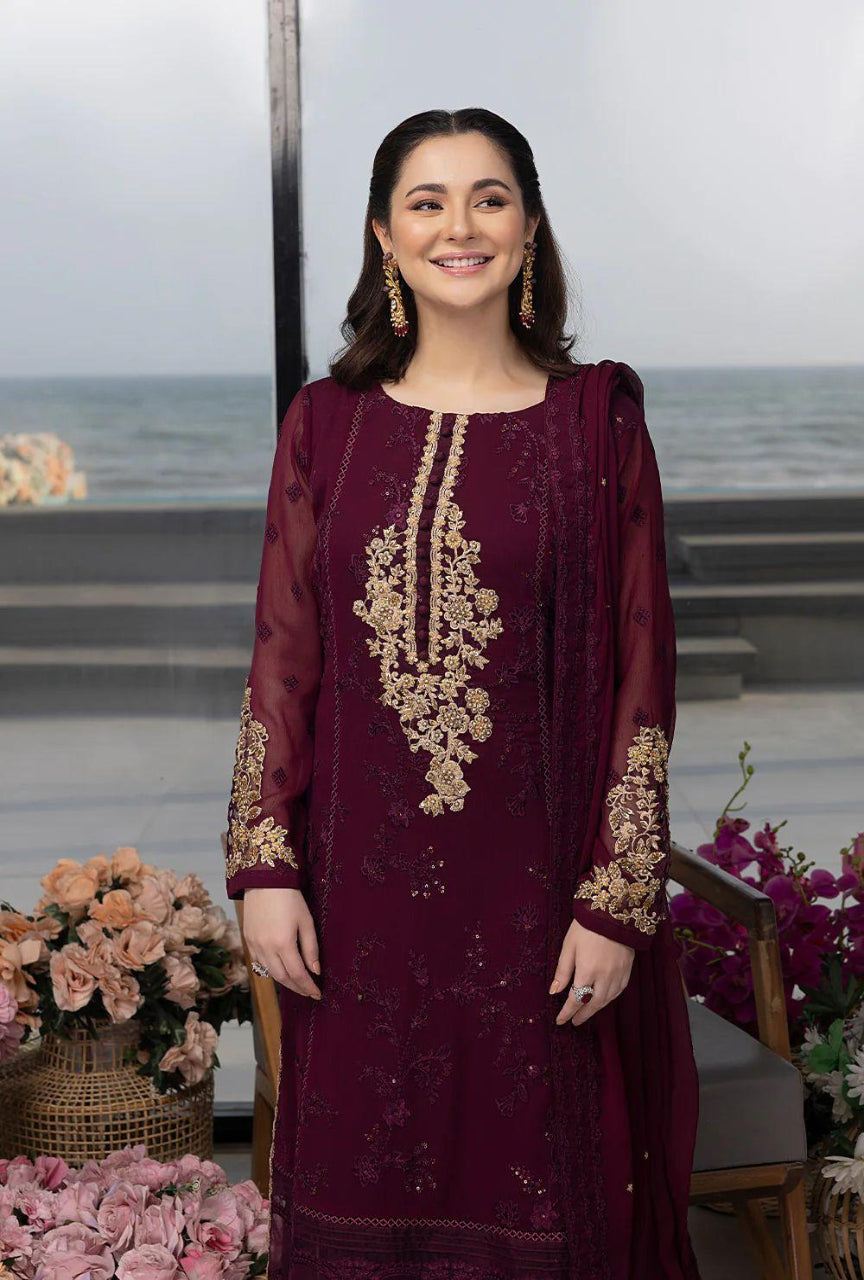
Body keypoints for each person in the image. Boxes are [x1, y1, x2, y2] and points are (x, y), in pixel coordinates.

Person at [224, 107, 702, 1280]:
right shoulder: (325, 425)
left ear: (528, 226)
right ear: (384, 235)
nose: (459, 226)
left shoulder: (597, 421)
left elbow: (646, 663)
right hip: (356, 898)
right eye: (427, 202)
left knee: (540, 1194)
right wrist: (265, 862)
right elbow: (284, 653)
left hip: (539, 903)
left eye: (489, 198)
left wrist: (616, 895)